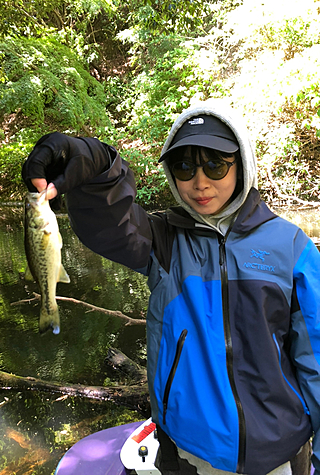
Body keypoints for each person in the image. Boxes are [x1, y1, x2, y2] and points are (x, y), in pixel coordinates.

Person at [22, 100, 320, 475]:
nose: (199, 181)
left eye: (215, 163)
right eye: (183, 167)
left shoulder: (291, 247)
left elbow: (316, 358)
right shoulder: (163, 240)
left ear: (242, 162)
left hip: (281, 453)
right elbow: (108, 223)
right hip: (188, 452)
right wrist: (92, 160)